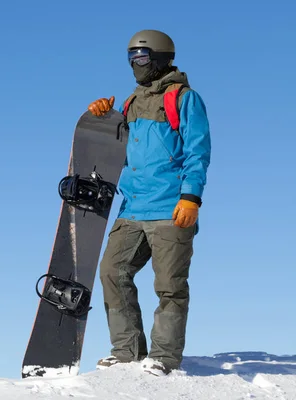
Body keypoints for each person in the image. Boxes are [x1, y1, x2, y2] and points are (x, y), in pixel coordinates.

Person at [87, 29, 212, 376]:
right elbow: (114, 149)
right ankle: (126, 351)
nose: (134, 64)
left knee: (170, 285)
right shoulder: (130, 102)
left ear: (159, 58)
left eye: (141, 58)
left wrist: (191, 197)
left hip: (171, 207)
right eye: (130, 58)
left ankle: (164, 356)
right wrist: (102, 117)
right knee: (113, 271)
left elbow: (198, 152)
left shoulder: (184, 98)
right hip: (133, 208)